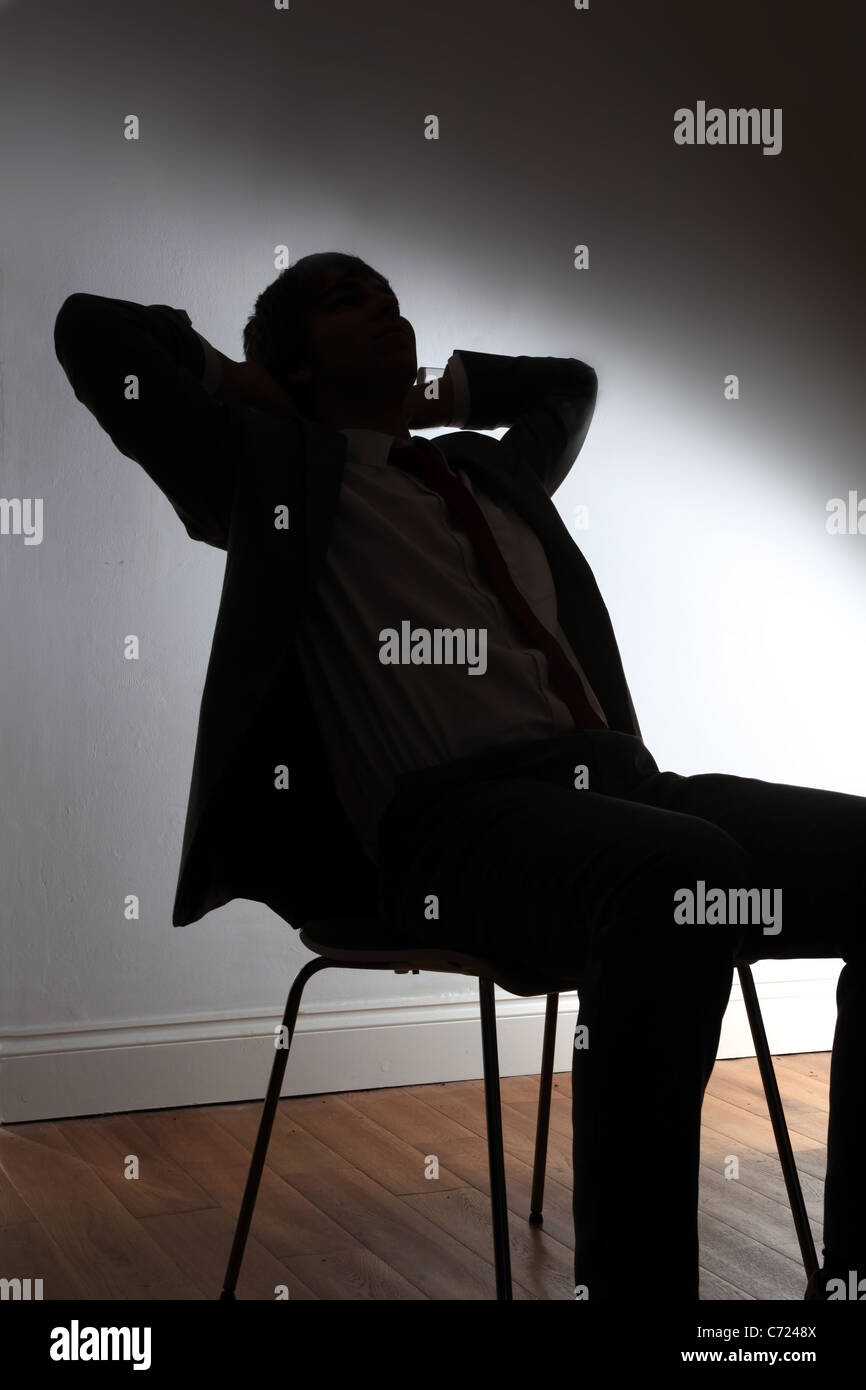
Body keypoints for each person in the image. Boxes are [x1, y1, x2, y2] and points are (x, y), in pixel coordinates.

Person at [54, 252, 865, 1300]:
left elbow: (565, 383)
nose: (384, 307)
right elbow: (93, 330)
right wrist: (249, 385)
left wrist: (422, 398)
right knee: (674, 882)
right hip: (452, 828)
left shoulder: (487, 470)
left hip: (618, 790)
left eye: (387, 294)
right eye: (347, 301)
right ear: (293, 364)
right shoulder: (270, 473)